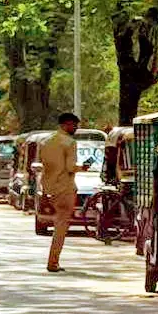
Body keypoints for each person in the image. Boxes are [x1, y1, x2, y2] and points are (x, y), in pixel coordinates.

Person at [38, 112, 89, 272]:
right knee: (61, 226)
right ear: (66, 124)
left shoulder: (45, 142)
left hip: (49, 188)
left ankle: (53, 261)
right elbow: (70, 167)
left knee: (57, 224)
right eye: (74, 125)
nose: (76, 128)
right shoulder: (69, 143)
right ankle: (53, 262)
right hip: (65, 188)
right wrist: (83, 167)